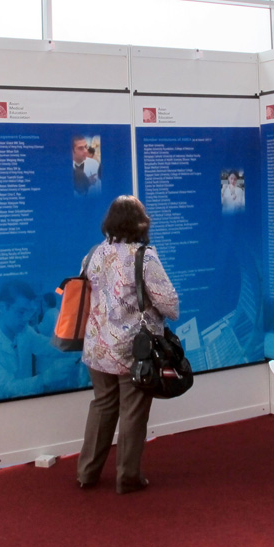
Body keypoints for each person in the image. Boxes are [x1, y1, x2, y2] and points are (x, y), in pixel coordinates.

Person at [77, 195, 178, 494]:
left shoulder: (93, 254)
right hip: (134, 351)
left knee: (102, 406)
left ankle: (86, 473)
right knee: (133, 412)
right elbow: (170, 304)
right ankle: (127, 478)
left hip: (97, 347)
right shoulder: (144, 257)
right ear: (140, 223)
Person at [0, 281, 59, 400]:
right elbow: (4, 389)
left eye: (29, 312)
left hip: (27, 402)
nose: (26, 318)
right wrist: (44, 378)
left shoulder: (25, 330)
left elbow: (45, 345)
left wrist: (77, 347)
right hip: (3, 407)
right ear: (2, 307)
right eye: (21, 312)